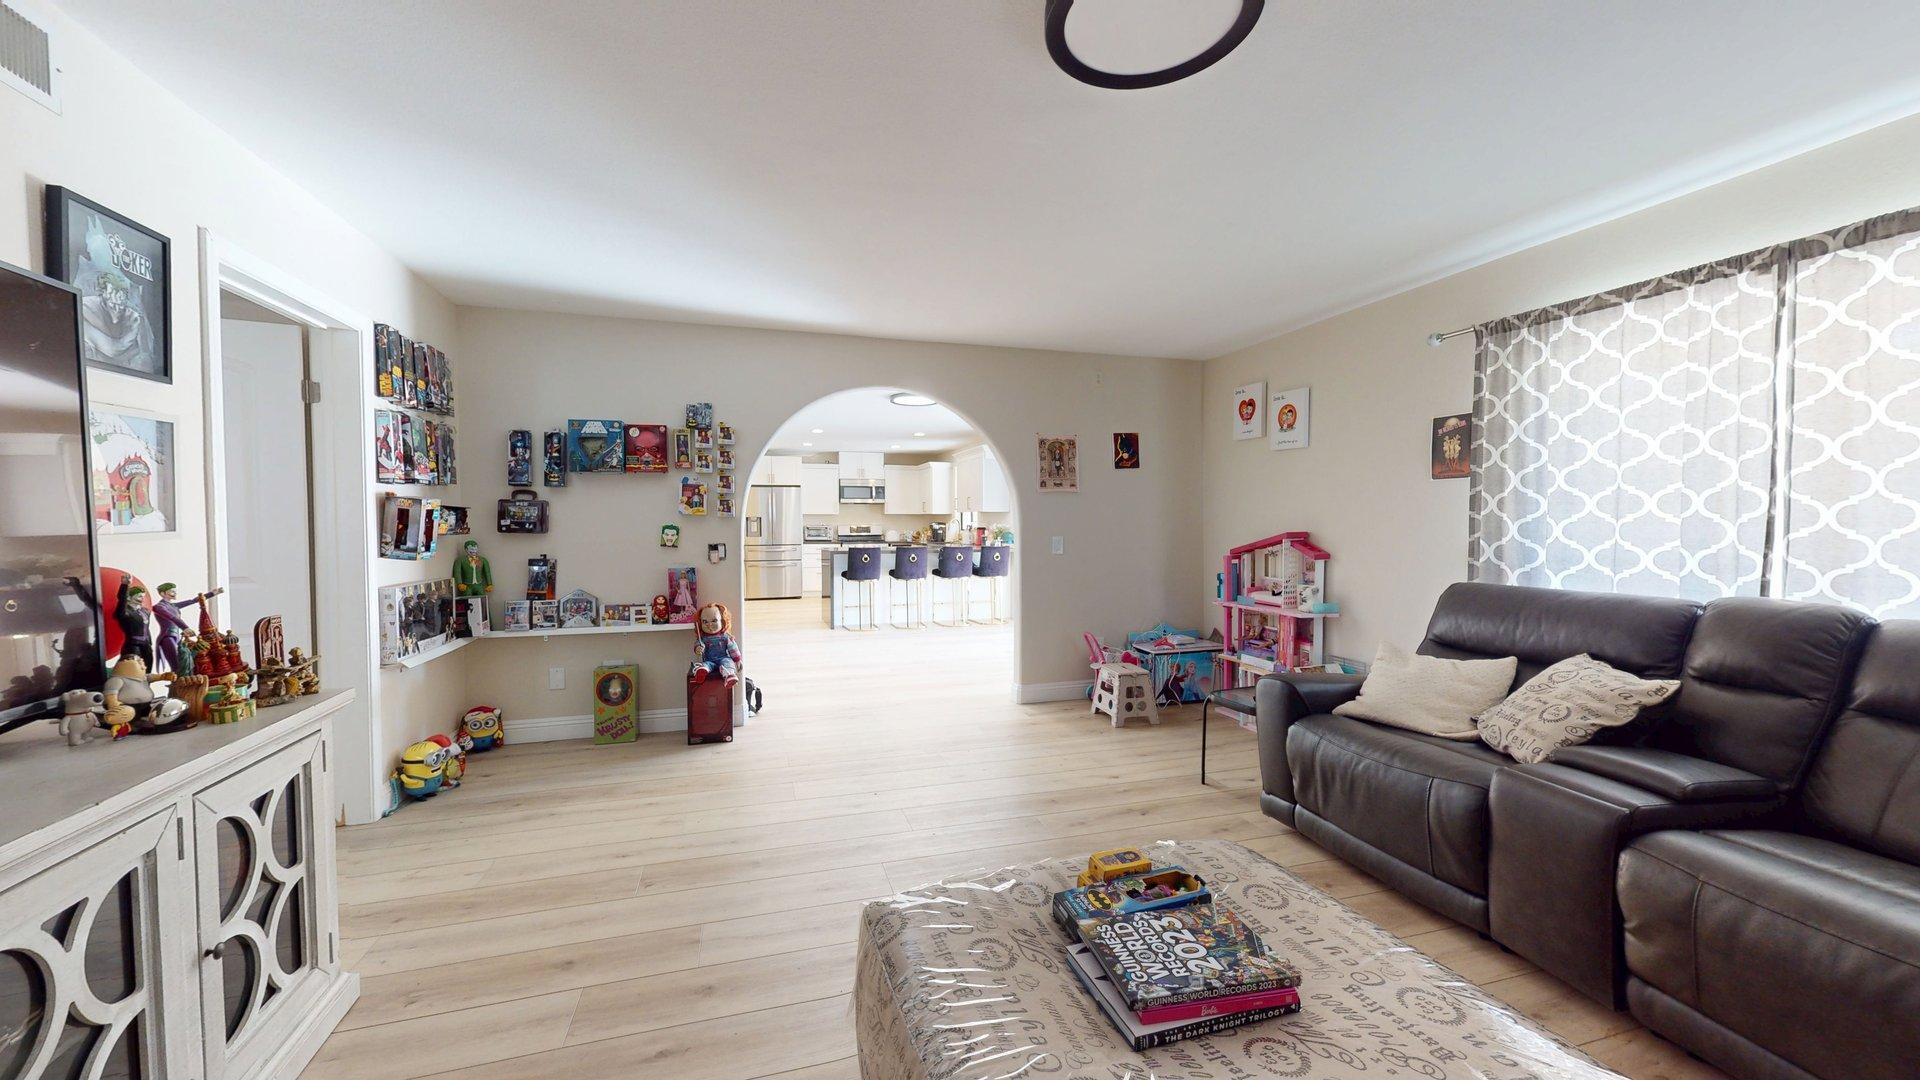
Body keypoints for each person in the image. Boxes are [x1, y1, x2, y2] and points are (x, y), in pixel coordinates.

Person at [153, 583, 206, 673]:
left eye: (175, 591)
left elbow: (192, 601)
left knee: (186, 660)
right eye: (172, 591)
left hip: (177, 637)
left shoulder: (173, 606)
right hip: (167, 637)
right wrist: (185, 628)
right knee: (176, 664)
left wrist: (212, 593)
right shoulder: (159, 607)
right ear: (162, 593)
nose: (175, 593)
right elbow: (172, 617)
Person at [689, 602, 741, 687]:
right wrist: (698, 648)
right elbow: (698, 643)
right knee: (705, 665)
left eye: (714, 621)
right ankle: (702, 671)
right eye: (705, 622)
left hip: (723, 658)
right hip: (709, 660)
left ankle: (729, 675)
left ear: (722, 621)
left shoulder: (725, 637)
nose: (709, 625)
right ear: (700, 623)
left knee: (728, 662)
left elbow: (733, 648)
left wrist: (737, 660)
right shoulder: (703, 638)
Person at [114, 578, 154, 669]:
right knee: (133, 669)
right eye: (139, 596)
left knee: (147, 669)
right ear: (129, 598)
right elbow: (121, 601)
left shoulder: (145, 611)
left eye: (143, 596)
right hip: (133, 645)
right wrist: (125, 585)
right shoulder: (126, 612)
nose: (142, 599)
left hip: (147, 645)